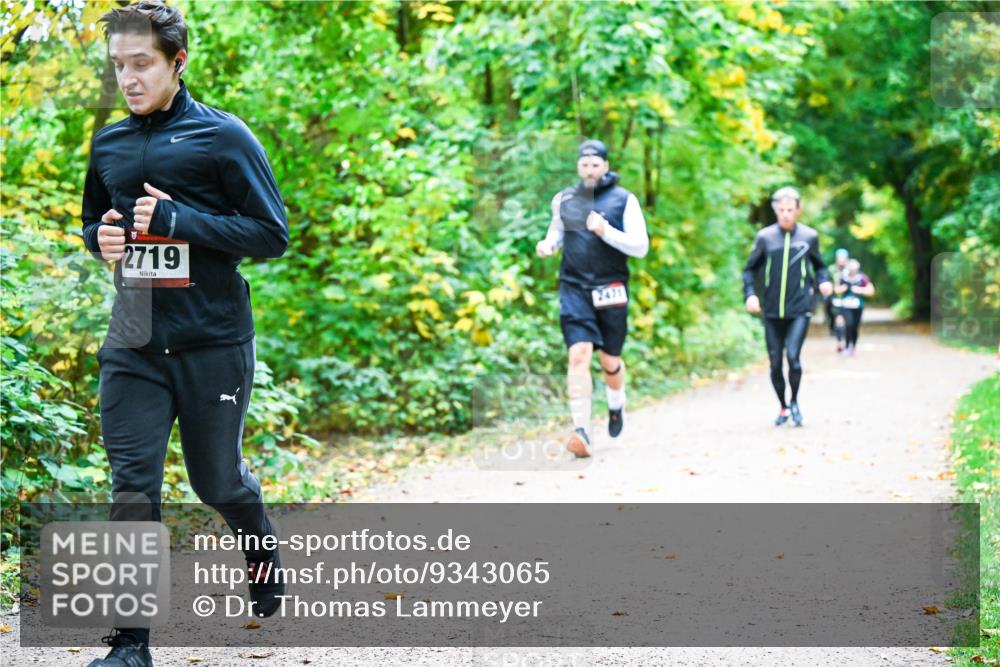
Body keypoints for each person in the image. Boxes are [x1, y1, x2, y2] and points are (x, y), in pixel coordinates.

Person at [81, 3, 288, 665]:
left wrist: (179, 218)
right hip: (135, 341)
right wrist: (101, 238)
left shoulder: (224, 138)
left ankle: (258, 543)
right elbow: (95, 224)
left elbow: (270, 234)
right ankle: (131, 643)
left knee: (216, 482)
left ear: (178, 61)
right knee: (132, 483)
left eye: (142, 63)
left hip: (212, 342)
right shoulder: (109, 142)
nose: (130, 78)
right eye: (119, 66)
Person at [536, 139, 649, 457]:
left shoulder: (624, 200)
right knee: (578, 355)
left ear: (605, 166)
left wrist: (605, 230)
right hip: (574, 289)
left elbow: (640, 247)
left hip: (610, 288)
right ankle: (581, 430)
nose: (589, 170)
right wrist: (548, 246)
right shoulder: (564, 199)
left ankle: (616, 405)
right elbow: (555, 233)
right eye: (584, 164)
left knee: (609, 360)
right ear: (578, 166)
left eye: (595, 164)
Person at [742, 187, 832, 427]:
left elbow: (821, 267)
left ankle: (795, 403)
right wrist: (750, 295)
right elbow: (750, 269)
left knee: (793, 357)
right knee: (774, 362)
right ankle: (782, 405)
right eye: (781, 210)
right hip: (771, 311)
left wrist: (824, 282)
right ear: (775, 210)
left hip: (799, 309)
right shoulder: (765, 237)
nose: (785, 215)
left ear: (798, 210)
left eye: (790, 210)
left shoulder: (809, 237)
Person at [835, 258, 875, 356]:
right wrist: (842, 289)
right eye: (851, 269)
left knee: (855, 327)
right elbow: (836, 289)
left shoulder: (862, 278)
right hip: (846, 306)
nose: (852, 271)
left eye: (854, 269)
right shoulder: (844, 277)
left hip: (858, 306)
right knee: (849, 325)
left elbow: (871, 291)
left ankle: (854, 347)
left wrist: (860, 290)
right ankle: (847, 346)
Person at [825, 247, 849, 336]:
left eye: (843, 258)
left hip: (847, 297)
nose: (841, 260)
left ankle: (844, 331)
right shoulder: (831, 269)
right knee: (829, 307)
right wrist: (833, 289)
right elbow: (827, 280)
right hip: (833, 296)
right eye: (840, 258)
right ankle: (832, 326)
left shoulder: (850, 269)